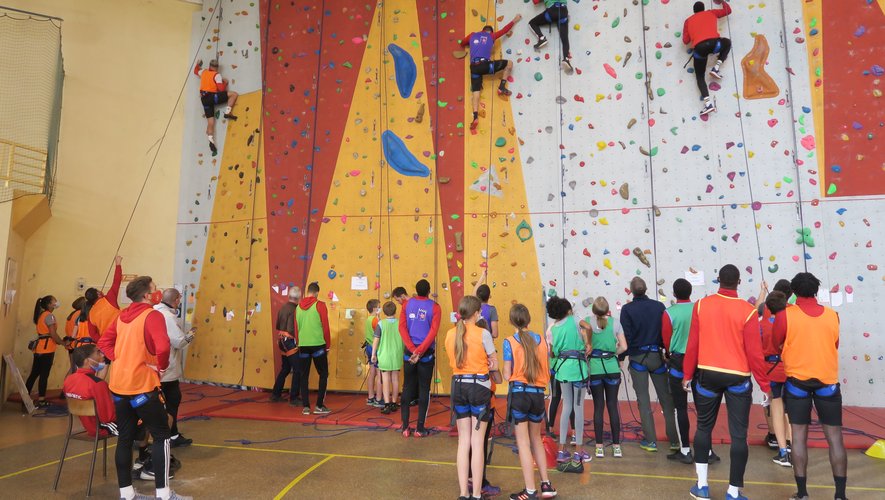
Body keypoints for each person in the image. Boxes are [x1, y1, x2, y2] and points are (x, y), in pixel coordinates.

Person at [682, 264, 769, 500]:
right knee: (739, 435)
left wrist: (687, 374)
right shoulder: (748, 311)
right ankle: (733, 491)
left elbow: (693, 344)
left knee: (703, 428)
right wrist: (765, 385)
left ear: (718, 279)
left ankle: (702, 486)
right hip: (738, 378)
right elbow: (755, 353)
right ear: (739, 282)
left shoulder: (701, 305)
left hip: (707, 375)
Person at [97, 276, 189, 500]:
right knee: (161, 436)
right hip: (142, 388)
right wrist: (161, 366)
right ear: (147, 295)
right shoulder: (153, 315)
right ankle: (164, 495)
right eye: (154, 289)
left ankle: (127, 494)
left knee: (125, 438)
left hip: (119, 388)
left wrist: (117, 359)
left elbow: (103, 343)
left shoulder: (121, 316)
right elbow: (163, 345)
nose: (157, 293)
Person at [773, 273, 847, 500]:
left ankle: (803, 493)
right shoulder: (833, 315)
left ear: (793, 292)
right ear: (816, 290)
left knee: (798, 435)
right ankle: (840, 496)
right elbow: (834, 343)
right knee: (834, 437)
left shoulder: (785, 315)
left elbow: (777, 343)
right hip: (828, 383)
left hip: (797, 384)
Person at [503, 304, 557, 500]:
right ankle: (546, 484)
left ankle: (530, 490)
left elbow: (507, 374)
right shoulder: (542, 340)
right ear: (529, 319)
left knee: (523, 443)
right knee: (536, 440)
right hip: (537, 396)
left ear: (511, 321)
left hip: (520, 395)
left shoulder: (509, 341)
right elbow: (548, 369)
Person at [446, 296, 497, 500]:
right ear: (476, 314)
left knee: (463, 442)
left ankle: (463, 493)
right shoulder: (483, 333)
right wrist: (490, 364)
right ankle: (476, 494)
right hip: (478, 388)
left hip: (458, 386)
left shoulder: (451, 334)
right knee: (477, 443)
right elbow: (493, 362)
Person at [620, 277, 677, 452]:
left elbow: (626, 336)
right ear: (645, 290)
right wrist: (667, 352)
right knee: (667, 399)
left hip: (638, 358)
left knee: (643, 400)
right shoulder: (659, 307)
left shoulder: (627, 309)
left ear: (631, 290)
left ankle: (651, 441)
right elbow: (665, 331)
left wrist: (622, 356)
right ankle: (674, 439)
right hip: (656, 356)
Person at [579, 296, 626, 459]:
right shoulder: (616, 322)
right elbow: (624, 346)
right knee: (612, 405)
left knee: (598, 406)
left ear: (593, 310)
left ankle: (599, 447)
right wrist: (613, 353)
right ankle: (616, 446)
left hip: (596, 368)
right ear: (607, 310)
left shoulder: (586, 321)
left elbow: (583, 344)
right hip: (612, 367)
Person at [546, 296, 589, 470]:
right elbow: (588, 327)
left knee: (567, 407)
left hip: (562, 370)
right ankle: (578, 450)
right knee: (578, 408)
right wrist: (588, 343)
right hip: (578, 370)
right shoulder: (575, 320)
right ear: (567, 310)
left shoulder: (552, 329)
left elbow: (552, 353)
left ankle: (562, 450)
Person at [459, 15, 521, 131]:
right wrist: (515, 20)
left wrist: (472, 44)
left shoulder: (472, 35)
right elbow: (504, 30)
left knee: (476, 92)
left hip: (474, 67)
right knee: (509, 63)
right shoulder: (491, 36)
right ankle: (501, 87)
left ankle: (476, 117)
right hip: (486, 66)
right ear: (490, 32)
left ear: (482, 30)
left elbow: (462, 43)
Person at [398, 279, 441, 437]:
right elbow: (433, 331)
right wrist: (420, 351)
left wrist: (412, 350)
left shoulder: (406, 305)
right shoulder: (435, 307)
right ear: (429, 291)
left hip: (410, 353)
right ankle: (420, 428)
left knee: (407, 387)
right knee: (424, 389)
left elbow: (402, 328)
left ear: (415, 291)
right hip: (425, 355)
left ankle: (404, 427)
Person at [154, 288, 195, 448]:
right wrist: (190, 335)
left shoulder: (153, 312)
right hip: (167, 368)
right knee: (171, 402)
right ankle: (169, 437)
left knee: (160, 404)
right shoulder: (168, 317)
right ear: (176, 300)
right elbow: (179, 342)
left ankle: (170, 434)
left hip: (154, 368)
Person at [663, 278, 696, 463]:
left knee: (681, 407)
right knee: (704, 408)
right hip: (698, 360)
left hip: (678, 361)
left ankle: (685, 450)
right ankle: (706, 451)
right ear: (690, 292)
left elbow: (667, 341)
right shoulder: (699, 309)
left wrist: (669, 353)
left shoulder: (669, 313)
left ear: (674, 294)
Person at [682, 0, 733, 115]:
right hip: (715, 44)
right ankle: (716, 67)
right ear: (703, 8)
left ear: (694, 11)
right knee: (727, 42)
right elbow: (728, 11)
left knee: (700, 77)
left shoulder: (688, 21)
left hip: (699, 50)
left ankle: (708, 104)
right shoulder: (711, 13)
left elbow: (685, 41)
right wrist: (722, 2)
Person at [761, 280, 794, 455]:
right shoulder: (794, 314)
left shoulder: (765, 317)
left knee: (773, 404)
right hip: (790, 367)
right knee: (789, 407)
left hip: (772, 368)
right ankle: (790, 444)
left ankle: (776, 439)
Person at [63, 344, 117, 437]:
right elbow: (108, 417)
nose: (103, 355)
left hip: (87, 426)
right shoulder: (97, 384)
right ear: (87, 361)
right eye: (98, 353)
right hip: (101, 428)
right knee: (142, 419)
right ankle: (141, 449)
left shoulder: (68, 380)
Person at [295, 282, 332, 415]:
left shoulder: (298, 307)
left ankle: (306, 407)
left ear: (307, 292)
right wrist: (328, 345)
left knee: (303, 375)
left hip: (303, 345)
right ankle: (319, 406)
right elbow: (325, 327)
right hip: (318, 345)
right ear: (316, 293)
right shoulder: (320, 305)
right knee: (323, 374)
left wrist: (299, 343)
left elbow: (296, 328)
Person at [193, 58, 238, 155]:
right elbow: (221, 89)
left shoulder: (203, 72)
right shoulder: (216, 75)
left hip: (204, 100)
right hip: (213, 97)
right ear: (217, 68)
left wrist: (198, 64)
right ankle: (227, 112)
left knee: (210, 122)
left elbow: (195, 71)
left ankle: (211, 140)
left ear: (209, 66)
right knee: (233, 94)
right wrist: (225, 82)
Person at [26, 295, 63, 407]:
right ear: (49, 304)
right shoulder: (49, 316)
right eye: (54, 301)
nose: (56, 302)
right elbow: (53, 334)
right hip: (47, 349)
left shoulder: (41, 315)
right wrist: (62, 342)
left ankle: (25, 396)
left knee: (34, 373)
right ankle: (41, 400)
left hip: (39, 349)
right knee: (44, 375)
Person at [271, 286, 302, 405]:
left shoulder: (283, 307)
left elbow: (278, 325)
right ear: (299, 298)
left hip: (281, 340)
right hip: (289, 342)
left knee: (286, 368)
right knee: (298, 369)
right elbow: (291, 328)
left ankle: (276, 393)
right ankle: (293, 398)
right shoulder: (295, 310)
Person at [83, 255, 124, 343]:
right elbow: (116, 281)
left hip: (106, 343)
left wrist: (103, 342)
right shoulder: (109, 299)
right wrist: (118, 264)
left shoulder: (91, 313)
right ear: (98, 294)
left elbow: (93, 334)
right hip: (121, 338)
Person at [372, 301, 403, 415]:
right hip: (397, 355)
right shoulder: (400, 323)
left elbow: (376, 340)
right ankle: (394, 402)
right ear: (395, 311)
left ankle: (387, 404)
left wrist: (373, 354)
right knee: (395, 379)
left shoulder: (381, 324)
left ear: (384, 312)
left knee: (385, 380)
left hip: (384, 355)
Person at [528, 0, 573, 73]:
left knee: (532, 23)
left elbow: (535, 1)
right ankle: (566, 59)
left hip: (552, 11)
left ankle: (541, 38)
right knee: (565, 39)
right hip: (563, 11)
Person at [364, 298, 383, 407]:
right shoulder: (375, 320)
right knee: (379, 374)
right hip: (375, 348)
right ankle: (379, 399)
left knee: (372, 373)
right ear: (375, 308)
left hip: (368, 347)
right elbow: (380, 332)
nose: (380, 309)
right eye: (379, 307)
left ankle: (371, 396)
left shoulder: (368, 319)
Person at [474, 269, 499, 339]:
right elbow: (495, 334)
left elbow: (474, 293)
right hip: (487, 346)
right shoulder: (492, 310)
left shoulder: (473, 307)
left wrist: (482, 276)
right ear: (489, 296)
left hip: (474, 343)